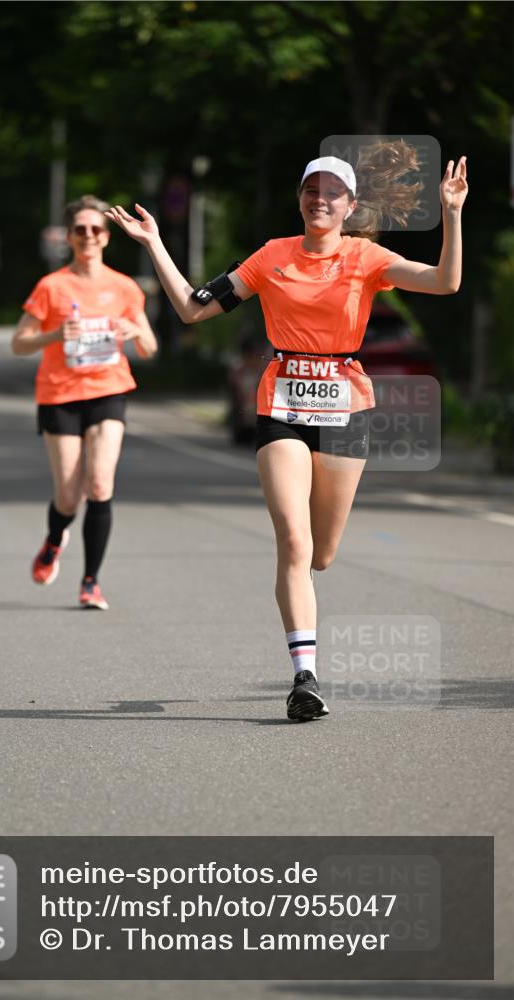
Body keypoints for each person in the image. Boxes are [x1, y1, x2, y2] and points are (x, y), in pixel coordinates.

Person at [106, 142, 468, 720]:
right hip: (282, 403)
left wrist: (450, 213)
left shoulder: (365, 257)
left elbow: (445, 282)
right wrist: (154, 245)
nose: (319, 200)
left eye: (331, 193)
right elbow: (195, 309)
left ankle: (307, 629)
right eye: (311, 190)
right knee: (293, 541)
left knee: (321, 553)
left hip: (346, 409)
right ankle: (305, 676)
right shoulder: (271, 256)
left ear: (349, 206)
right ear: (300, 200)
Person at [12, 194, 157, 609]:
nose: (88, 236)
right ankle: (55, 538)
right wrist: (55, 334)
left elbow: (149, 348)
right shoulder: (52, 286)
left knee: (99, 483)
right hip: (59, 394)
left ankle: (90, 581)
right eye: (80, 229)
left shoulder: (124, 287)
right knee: (68, 495)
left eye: (95, 229)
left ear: (107, 237)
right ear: (70, 237)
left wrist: (134, 330)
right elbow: (19, 343)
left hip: (108, 390)